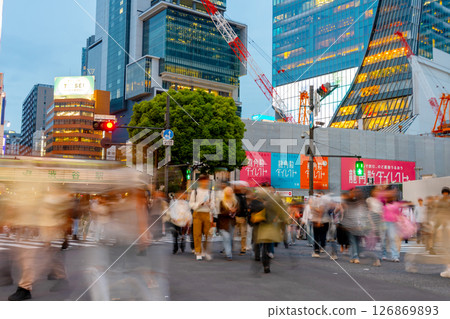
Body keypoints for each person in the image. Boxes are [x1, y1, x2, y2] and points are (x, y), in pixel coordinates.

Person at [341, 188, 370, 264]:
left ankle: (354, 255)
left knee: (357, 241)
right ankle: (355, 256)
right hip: (351, 225)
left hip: (360, 225)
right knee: (353, 241)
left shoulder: (363, 202)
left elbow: (366, 213)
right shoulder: (348, 202)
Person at [189, 175, 213, 261]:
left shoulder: (210, 192)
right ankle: (198, 251)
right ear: (199, 182)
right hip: (197, 213)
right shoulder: (195, 191)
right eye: (203, 181)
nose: (205, 183)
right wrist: (199, 204)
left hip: (207, 213)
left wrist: (210, 204)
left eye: (207, 181)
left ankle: (206, 251)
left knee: (207, 234)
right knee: (197, 233)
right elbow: (191, 204)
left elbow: (213, 205)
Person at [382, 189, 402, 262]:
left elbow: (398, 214)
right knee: (383, 239)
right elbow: (381, 215)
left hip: (392, 223)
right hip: (383, 223)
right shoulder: (384, 206)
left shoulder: (395, 205)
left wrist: (399, 222)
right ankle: (383, 254)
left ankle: (395, 256)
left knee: (392, 239)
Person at [218, 187, 238, 260]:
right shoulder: (222, 202)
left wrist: (234, 211)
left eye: (231, 191)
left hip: (232, 222)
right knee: (226, 237)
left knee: (230, 238)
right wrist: (229, 211)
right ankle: (229, 254)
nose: (230, 192)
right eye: (228, 191)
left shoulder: (235, 201)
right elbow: (221, 212)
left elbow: (238, 211)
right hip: (223, 222)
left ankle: (228, 251)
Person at [310, 192, 332, 258]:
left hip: (318, 220)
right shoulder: (327, 201)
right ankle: (322, 246)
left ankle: (317, 250)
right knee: (322, 235)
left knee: (317, 235)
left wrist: (313, 208)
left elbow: (320, 210)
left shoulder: (319, 202)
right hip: (325, 220)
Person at [233, 182, 249, 255]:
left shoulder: (242, 196)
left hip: (240, 217)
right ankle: (242, 249)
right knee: (238, 234)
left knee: (242, 234)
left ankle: (243, 248)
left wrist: (245, 215)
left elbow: (245, 207)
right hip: (237, 217)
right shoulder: (236, 196)